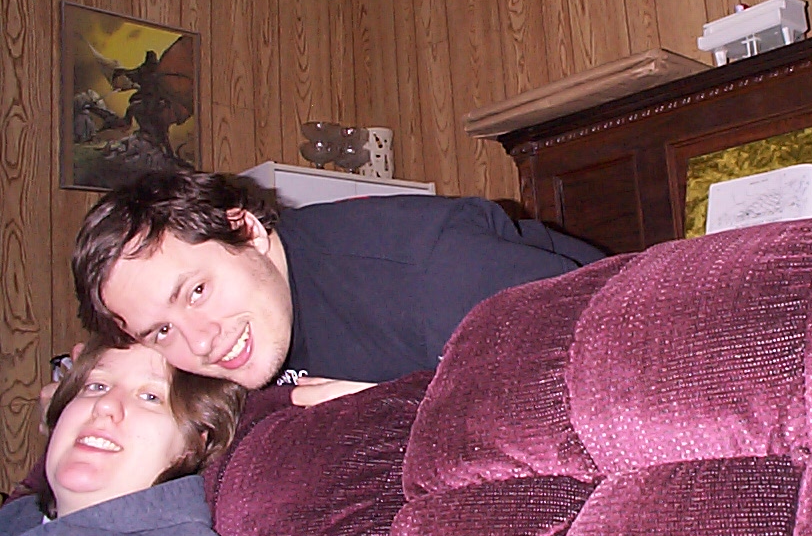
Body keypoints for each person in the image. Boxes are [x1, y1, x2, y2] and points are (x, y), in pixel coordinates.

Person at [71, 169, 604, 395]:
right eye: (161, 331)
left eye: (196, 292)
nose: (202, 342)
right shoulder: (220, 344)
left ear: (248, 231)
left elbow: (604, 368)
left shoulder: (424, 275)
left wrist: (401, 408)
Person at [0, 342, 277, 536]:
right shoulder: (16, 516)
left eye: (150, 396)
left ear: (192, 445)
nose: (104, 405)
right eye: (96, 386)